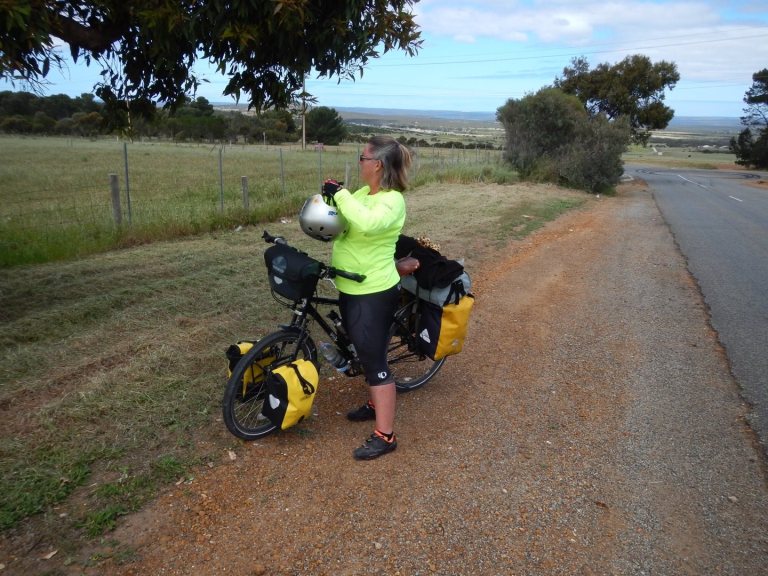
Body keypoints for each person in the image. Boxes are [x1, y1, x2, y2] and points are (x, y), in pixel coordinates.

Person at [321, 135, 411, 460]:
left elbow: (368, 223)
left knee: (374, 360)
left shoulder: (392, 201)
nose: (359, 163)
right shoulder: (363, 194)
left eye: (362, 158)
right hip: (350, 286)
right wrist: (330, 202)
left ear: (378, 165)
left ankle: (386, 436)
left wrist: (341, 194)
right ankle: (375, 404)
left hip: (373, 291)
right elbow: (347, 221)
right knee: (364, 349)